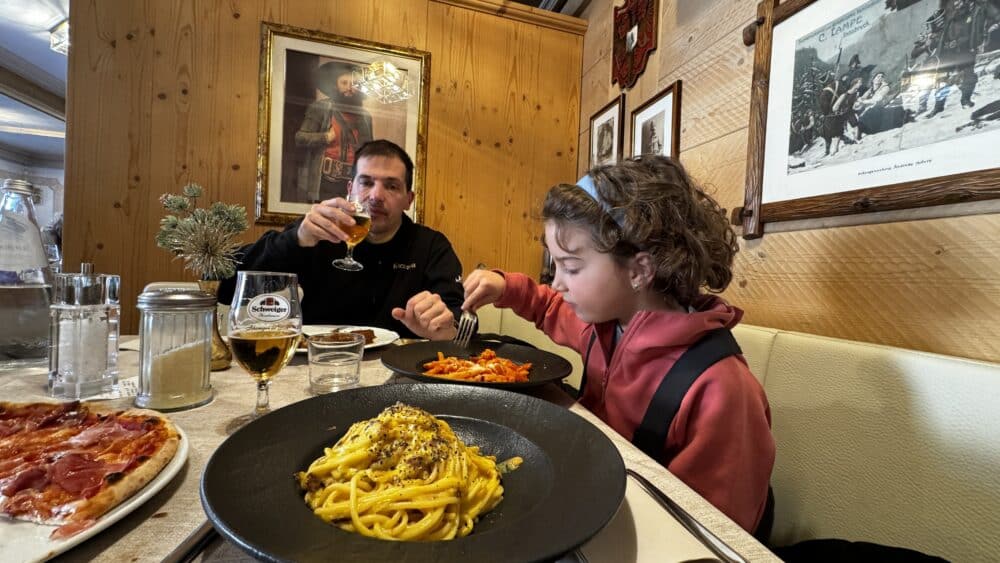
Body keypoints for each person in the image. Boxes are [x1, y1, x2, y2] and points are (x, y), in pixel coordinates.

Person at [462, 155, 775, 533]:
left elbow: (713, 529)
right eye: (555, 265)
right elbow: (548, 306)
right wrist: (504, 286)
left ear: (639, 270)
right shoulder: (606, 321)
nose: (558, 282)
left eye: (572, 267)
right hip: (594, 490)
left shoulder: (721, 390)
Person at [219, 140, 463, 341]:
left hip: (398, 372)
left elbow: (458, 321)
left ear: (409, 199)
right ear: (350, 189)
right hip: (318, 365)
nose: (376, 196)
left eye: (391, 186)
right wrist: (296, 239)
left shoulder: (431, 246)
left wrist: (445, 326)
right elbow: (227, 287)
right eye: (366, 182)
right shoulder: (316, 233)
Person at [295, 61, 374, 203]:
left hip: (353, 183)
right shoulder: (320, 108)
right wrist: (325, 137)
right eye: (344, 83)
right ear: (335, 85)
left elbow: (369, 154)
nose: (350, 88)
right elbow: (300, 138)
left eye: (355, 84)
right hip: (325, 182)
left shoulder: (365, 117)